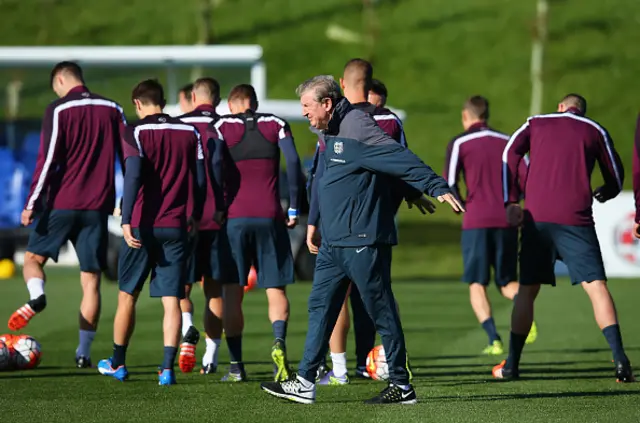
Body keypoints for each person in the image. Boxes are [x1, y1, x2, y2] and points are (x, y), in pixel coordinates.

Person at [260, 75, 464, 405]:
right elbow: (323, 179)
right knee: (320, 309)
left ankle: (402, 385)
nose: (305, 114)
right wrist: (315, 221)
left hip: (362, 240)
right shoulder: (327, 130)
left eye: (308, 107)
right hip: (333, 243)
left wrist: (434, 186)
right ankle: (305, 382)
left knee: (381, 311)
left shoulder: (357, 125)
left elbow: (398, 159)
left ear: (327, 104)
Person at [494, 93, 634, 382]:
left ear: (560, 107)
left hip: (537, 219)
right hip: (576, 220)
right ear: (581, 111)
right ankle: (620, 360)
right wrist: (605, 192)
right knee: (596, 287)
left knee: (527, 291)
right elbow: (617, 176)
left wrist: (511, 200)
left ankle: (512, 366)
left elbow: (510, 153)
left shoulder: (537, 122)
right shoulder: (594, 130)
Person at [8, 61, 126, 369]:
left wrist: (31, 202)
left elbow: (46, 159)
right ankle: (83, 353)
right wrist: (128, 198)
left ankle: (37, 297)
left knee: (33, 259)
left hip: (62, 202)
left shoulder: (59, 109)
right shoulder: (112, 107)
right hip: (97, 207)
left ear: (60, 79)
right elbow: (128, 155)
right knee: (91, 281)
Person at [310, 59, 418, 385]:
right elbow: (403, 167)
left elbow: (319, 177)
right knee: (377, 296)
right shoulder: (391, 123)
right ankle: (384, 366)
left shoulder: (334, 123)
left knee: (335, 298)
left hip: (340, 224)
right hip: (377, 223)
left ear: (344, 84)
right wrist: (412, 196)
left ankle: (339, 369)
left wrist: (312, 220)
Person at [97, 79, 206, 385]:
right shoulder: (190, 131)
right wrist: (195, 215)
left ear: (137, 103)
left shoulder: (135, 131)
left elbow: (132, 177)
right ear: (162, 101)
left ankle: (118, 362)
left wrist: (127, 218)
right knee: (171, 299)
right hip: (176, 225)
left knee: (127, 296)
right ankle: (167, 369)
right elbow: (200, 180)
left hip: (143, 226)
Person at [211, 84, 302, 382]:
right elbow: (295, 161)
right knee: (276, 289)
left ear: (231, 104)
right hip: (270, 217)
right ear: (256, 102)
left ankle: (236, 366)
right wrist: (293, 208)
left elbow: (212, 162)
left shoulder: (222, 125)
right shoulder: (275, 123)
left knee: (232, 292)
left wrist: (218, 205)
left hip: (234, 220)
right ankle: (279, 343)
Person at [443, 96, 536, 355]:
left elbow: (449, 182)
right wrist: (518, 204)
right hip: (506, 220)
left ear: (466, 116)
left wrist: (460, 205)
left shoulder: (460, 142)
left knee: (477, 282)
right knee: (507, 282)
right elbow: (528, 177)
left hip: (476, 221)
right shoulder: (508, 142)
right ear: (487, 114)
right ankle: (525, 311)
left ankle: (494, 339)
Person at [177, 77, 228, 375]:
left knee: (179, 286)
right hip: (218, 219)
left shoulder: (178, 125)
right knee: (214, 290)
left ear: (193, 96)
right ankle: (211, 357)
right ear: (218, 100)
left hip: (186, 219)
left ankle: (187, 326)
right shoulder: (225, 126)